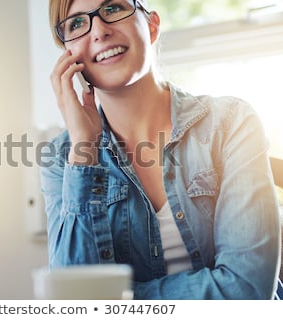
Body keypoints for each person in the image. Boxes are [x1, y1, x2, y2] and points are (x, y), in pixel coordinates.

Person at [40, 0, 282, 299]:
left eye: (113, 8)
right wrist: (84, 150)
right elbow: (74, 302)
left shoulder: (231, 122)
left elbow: (247, 290)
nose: (99, 30)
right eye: (76, 23)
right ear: (68, 55)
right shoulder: (63, 158)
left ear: (152, 25)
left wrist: (117, 300)